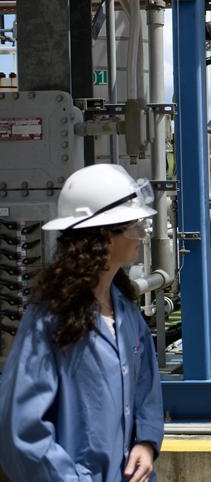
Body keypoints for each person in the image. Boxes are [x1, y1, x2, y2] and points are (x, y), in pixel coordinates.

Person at [0, 163, 164, 482]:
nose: (141, 235)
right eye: (134, 227)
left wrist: (145, 442)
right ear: (103, 238)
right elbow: (21, 427)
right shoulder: (50, 318)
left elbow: (147, 387)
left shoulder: (126, 313)